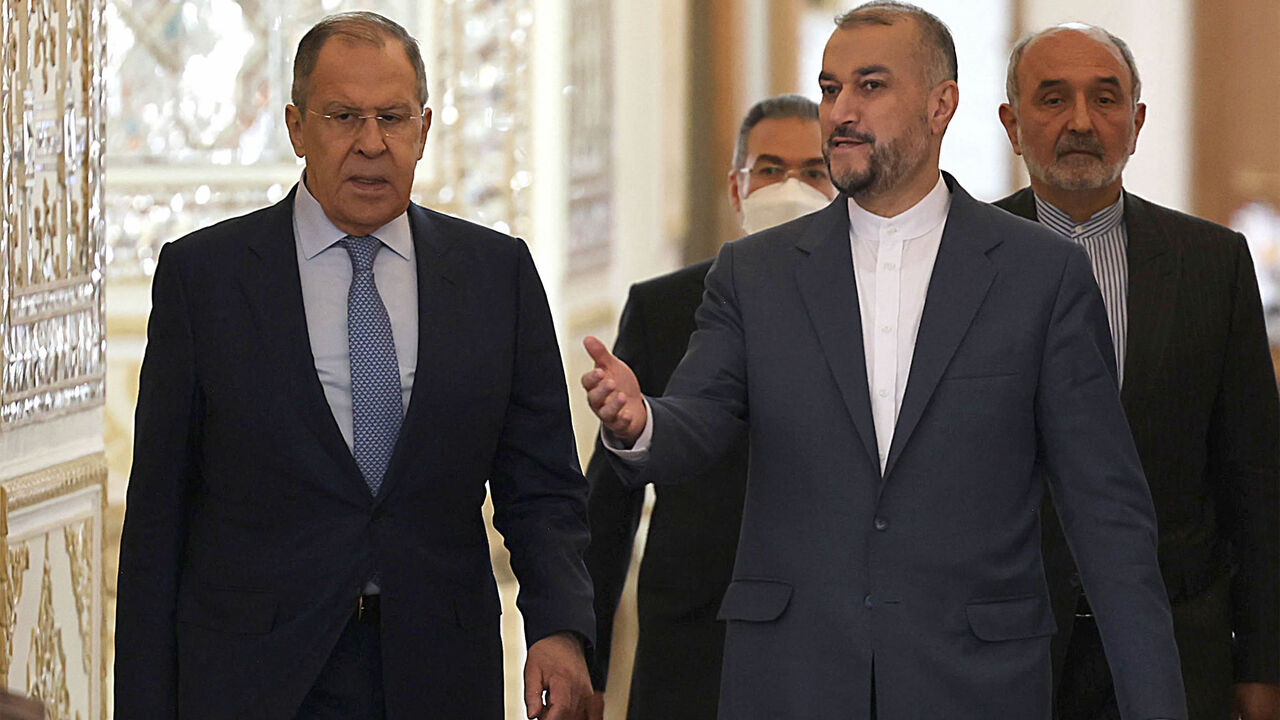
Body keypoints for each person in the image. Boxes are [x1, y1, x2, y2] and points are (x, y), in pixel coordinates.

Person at [582, 3, 1186, 718]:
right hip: (793, 678)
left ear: (941, 105)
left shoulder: (1040, 277)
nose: (841, 109)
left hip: (974, 682)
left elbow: (1107, 517)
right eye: (831, 88)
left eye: (870, 86)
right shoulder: (755, 274)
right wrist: (639, 422)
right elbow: (701, 417)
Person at [114, 12, 593, 720]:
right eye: (343, 117)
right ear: (295, 126)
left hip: (437, 674)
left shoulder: (497, 275)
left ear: (424, 129)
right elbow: (159, 524)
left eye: (393, 118)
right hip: (257, 679)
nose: (372, 143)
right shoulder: (205, 279)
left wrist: (559, 627)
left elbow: (543, 486)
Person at [995, 24, 1280, 720]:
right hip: (1003, 652)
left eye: (1106, 98)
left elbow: (1257, 488)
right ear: (1012, 123)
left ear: (1137, 121)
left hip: (1179, 652)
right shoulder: (956, 263)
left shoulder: (1213, 264)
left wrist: (1264, 669)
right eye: (1053, 99)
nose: (1081, 122)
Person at [585, 94, 834, 720]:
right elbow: (610, 505)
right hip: (695, 637)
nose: (790, 187)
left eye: (813, 171)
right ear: (737, 186)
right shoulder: (665, 308)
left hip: (829, 640)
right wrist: (584, 657)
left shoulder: (877, 308)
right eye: (770, 169)